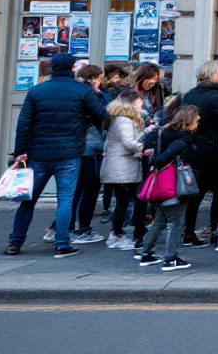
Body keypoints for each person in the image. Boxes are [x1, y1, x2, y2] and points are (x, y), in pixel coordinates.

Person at [6, 52, 109, 257]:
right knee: (65, 199)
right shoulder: (82, 91)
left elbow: (23, 124)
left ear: (52, 69)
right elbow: (102, 115)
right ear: (72, 68)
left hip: (39, 153)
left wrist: (20, 152)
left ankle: (15, 242)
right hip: (69, 153)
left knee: (28, 200)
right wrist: (84, 120)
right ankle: (62, 243)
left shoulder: (36, 91)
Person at [136, 105, 200, 272]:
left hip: (160, 184)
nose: (197, 125)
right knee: (177, 222)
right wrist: (157, 162)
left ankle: (146, 253)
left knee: (160, 220)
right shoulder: (183, 138)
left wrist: (155, 164)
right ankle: (170, 259)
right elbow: (168, 154)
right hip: (175, 184)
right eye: (196, 121)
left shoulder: (164, 131)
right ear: (190, 120)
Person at [181, 61, 218, 250]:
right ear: (215, 76)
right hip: (214, 152)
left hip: (194, 149)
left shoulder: (189, 95)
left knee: (196, 193)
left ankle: (188, 233)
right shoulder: (215, 98)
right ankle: (215, 231)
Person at [66, 64, 107, 245]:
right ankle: (83, 229)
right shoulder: (93, 96)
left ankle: (65, 228)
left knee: (74, 191)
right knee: (89, 189)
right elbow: (103, 116)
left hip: (73, 147)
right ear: (96, 78)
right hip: (90, 148)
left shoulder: (71, 94)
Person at [101, 92, 146, 250]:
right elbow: (129, 142)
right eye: (140, 102)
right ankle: (116, 233)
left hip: (121, 165)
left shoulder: (120, 119)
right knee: (124, 201)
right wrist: (144, 146)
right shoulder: (124, 120)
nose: (142, 105)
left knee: (123, 201)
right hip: (122, 166)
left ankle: (118, 232)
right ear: (132, 102)